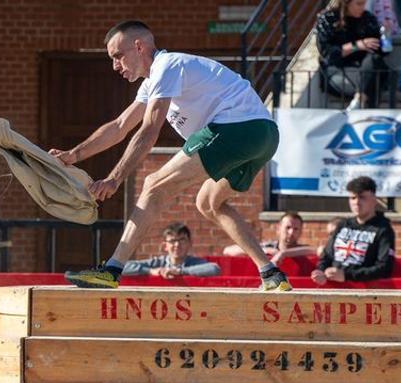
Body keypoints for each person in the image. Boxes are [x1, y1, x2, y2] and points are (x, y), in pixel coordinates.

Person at [53, 21, 288, 291]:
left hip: (235, 128)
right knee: (209, 202)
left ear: (139, 47)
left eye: (117, 56)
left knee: (153, 185)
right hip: (265, 135)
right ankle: (270, 273)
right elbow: (119, 127)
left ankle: (112, 270)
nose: (115, 66)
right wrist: (73, 155)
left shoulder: (168, 66)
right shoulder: (153, 83)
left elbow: (150, 130)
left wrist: (114, 179)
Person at [311, 177, 396, 285]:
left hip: (365, 295)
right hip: (333, 291)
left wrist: (346, 275)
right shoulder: (342, 225)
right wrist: (320, 272)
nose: (357, 202)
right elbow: (326, 256)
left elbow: (385, 268)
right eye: (353, 198)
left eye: (362, 197)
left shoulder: (383, 229)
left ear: (374, 199)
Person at [316, 0, 392, 109]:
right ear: (346, 3)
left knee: (374, 61)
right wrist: (357, 45)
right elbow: (328, 53)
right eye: (359, 4)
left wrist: (385, 37)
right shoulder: (328, 18)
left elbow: (381, 51)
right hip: (339, 69)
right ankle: (366, 108)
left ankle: (359, 99)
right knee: (374, 81)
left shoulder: (368, 19)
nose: (362, 7)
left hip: (364, 69)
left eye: (364, 4)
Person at [124, 222, 221, 278]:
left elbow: (214, 269)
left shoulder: (195, 262)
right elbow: (123, 267)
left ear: (190, 243)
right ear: (165, 246)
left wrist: (179, 271)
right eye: (172, 241)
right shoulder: (157, 263)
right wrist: (150, 271)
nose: (177, 244)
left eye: (182, 240)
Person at [224, 211, 318, 264]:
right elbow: (227, 251)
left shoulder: (303, 250)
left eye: (296, 229)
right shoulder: (267, 246)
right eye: (288, 227)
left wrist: (284, 254)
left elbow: (318, 251)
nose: (291, 232)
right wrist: (265, 251)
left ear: (301, 231)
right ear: (279, 228)